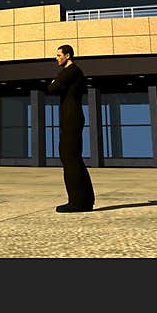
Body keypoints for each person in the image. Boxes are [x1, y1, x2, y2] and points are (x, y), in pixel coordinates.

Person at [48, 44, 94, 213]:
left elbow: (52, 88)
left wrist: (55, 82)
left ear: (67, 56)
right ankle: (86, 201)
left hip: (72, 120)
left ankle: (76, 202)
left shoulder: (72, 71)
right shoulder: (71, 72)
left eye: (59, 55)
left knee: (70, 159)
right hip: (71, 119)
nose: (56, 58)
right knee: (73, 159)